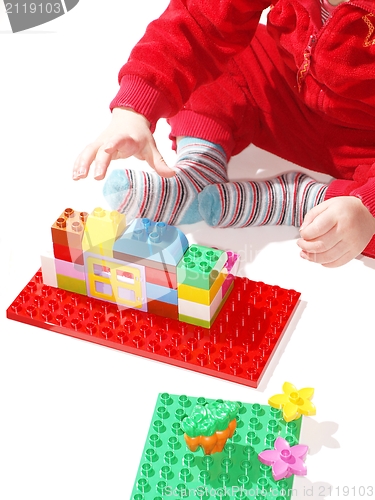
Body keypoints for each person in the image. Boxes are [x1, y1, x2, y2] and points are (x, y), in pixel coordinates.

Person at [73, 0, 375, 268]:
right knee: (210, 61)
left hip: (367, 149)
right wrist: (135, 106)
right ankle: (199, 171)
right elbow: (199, 22)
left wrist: (367, 206)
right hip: (295, 97)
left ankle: (309, 202)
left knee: (363, 226)